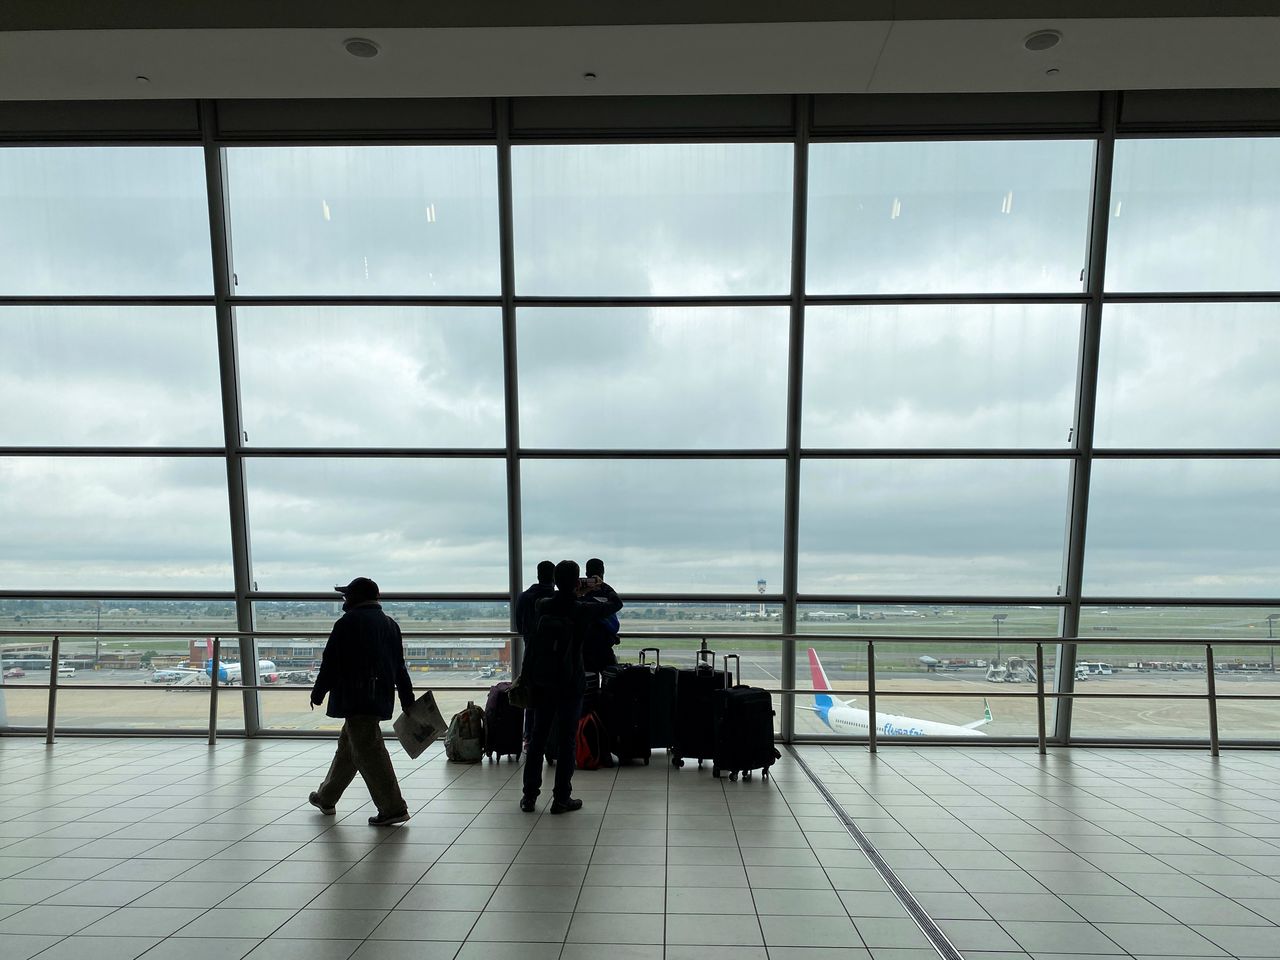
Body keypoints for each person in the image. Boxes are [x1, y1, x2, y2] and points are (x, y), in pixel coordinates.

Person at [308, 577, 415, 826]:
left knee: (370, 753)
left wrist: (318, 692)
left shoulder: (347, 623)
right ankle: (326, 797)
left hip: (355, 698)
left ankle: (393, 808)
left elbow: (330, 661)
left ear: (356, 597)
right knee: (349, 748)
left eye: (347, 595)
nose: (344, 600)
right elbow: (399, 666)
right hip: (379, 697)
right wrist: (407, 699)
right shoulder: (390, 625)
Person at [521, 559, 622, 814]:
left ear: (555, 580)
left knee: (537, 740)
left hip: (543, 682)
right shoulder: (582, 609)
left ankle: (529, 797)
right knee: (567, 741)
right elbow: (616, 604)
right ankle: (561, 798)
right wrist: (600, 585)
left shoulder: (541, 605)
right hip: (570, 682)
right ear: (578, 581)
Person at [514, 560, 556, 751]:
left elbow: (519, 627)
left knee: (532, 698)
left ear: (538, 575)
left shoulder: (524, 597)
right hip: (557, 657)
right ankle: (553, 740)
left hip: (531, 654)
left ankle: (529, 737)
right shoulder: (558, 599)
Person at [581, 557, 622, 672]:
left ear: (586, 573)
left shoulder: (581, 596)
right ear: (602, 573)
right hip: (604, 647)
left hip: (585, 647)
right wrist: (603, 585)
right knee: (612, 677)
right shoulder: (606, 593)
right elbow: (618, 603)